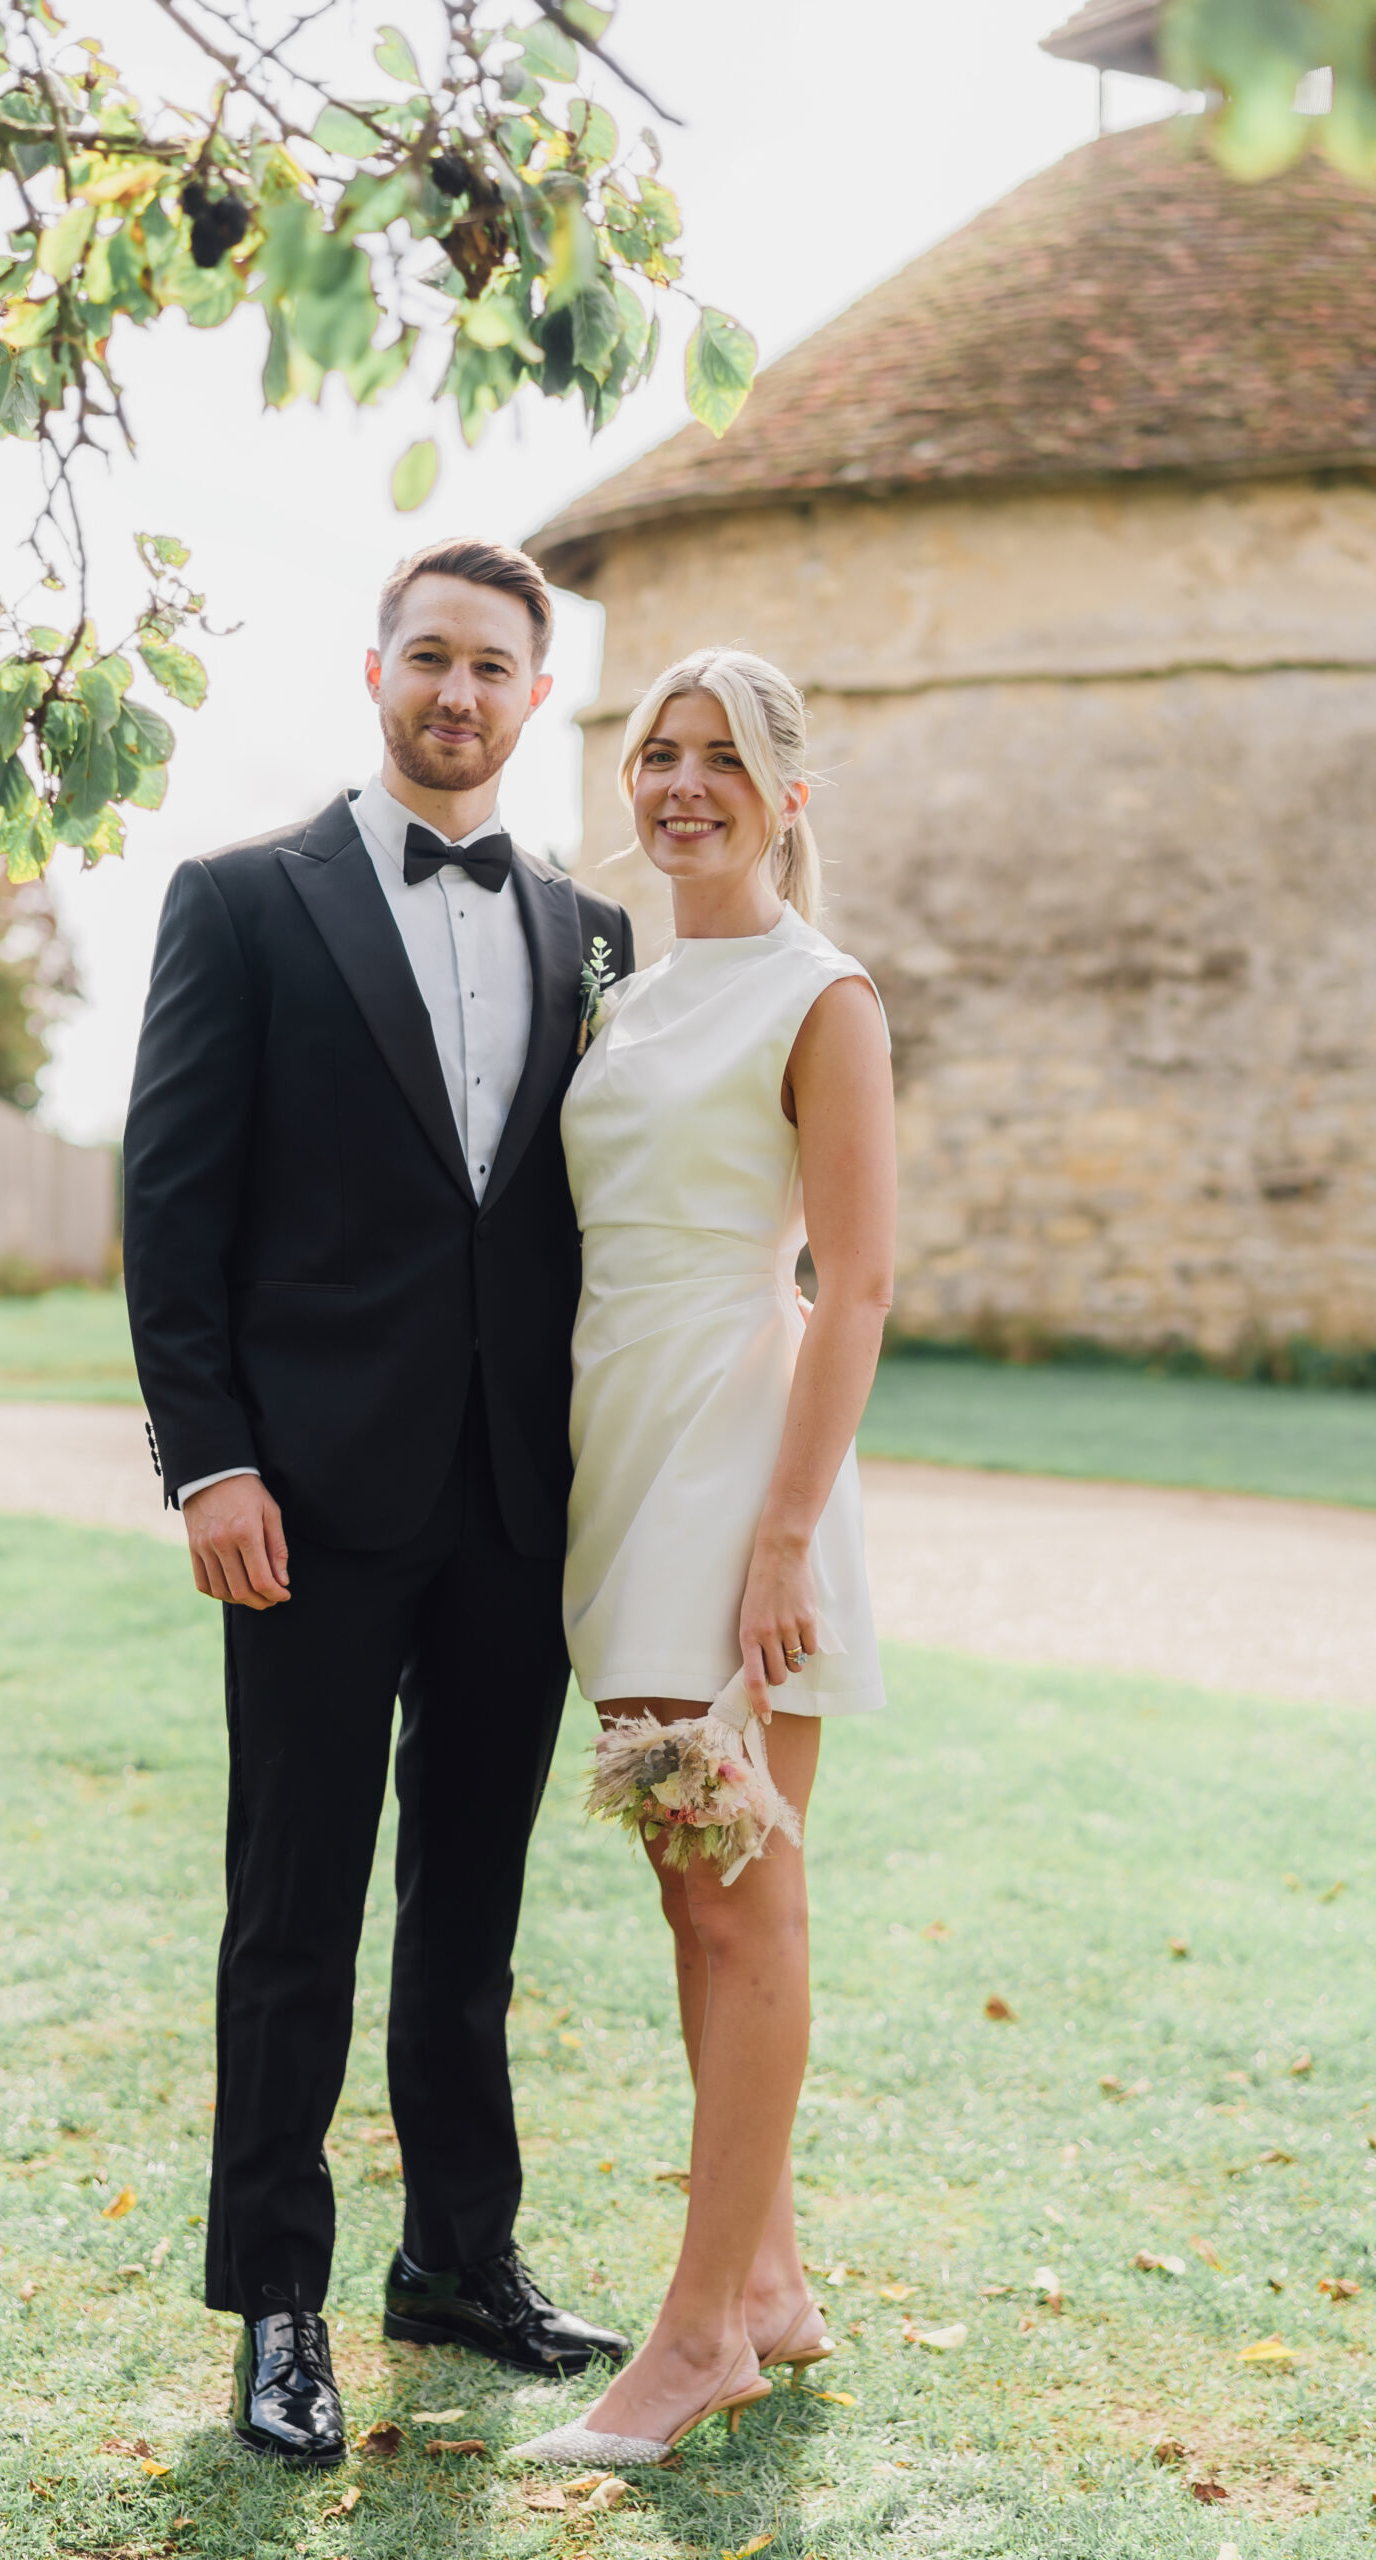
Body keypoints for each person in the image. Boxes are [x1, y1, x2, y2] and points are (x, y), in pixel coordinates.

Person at [123, 537, 634, 2471]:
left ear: (529, 696)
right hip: (311, 1503)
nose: (460, 693)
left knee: (474, 1904)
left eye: (496, 667)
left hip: (517, 1501)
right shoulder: (246, 901)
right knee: (293, 1909)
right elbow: (170, 1205)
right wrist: (212, 1456)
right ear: (375, 671)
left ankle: (459, 2264)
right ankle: (277, 2302)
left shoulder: (596, 937)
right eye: (431, 656)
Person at [511, 646, 896, 2469]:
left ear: (788, 792)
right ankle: (776, 2286)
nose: (680, 783)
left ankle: (692, 2341)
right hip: (619, 1456)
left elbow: (859, 1281)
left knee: (744, 1901)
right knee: (693, 1893)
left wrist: (786, 1537)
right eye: (657, 753)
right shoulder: (631, 996)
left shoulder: (824, 999)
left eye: (721, 757)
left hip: (735, 1485)